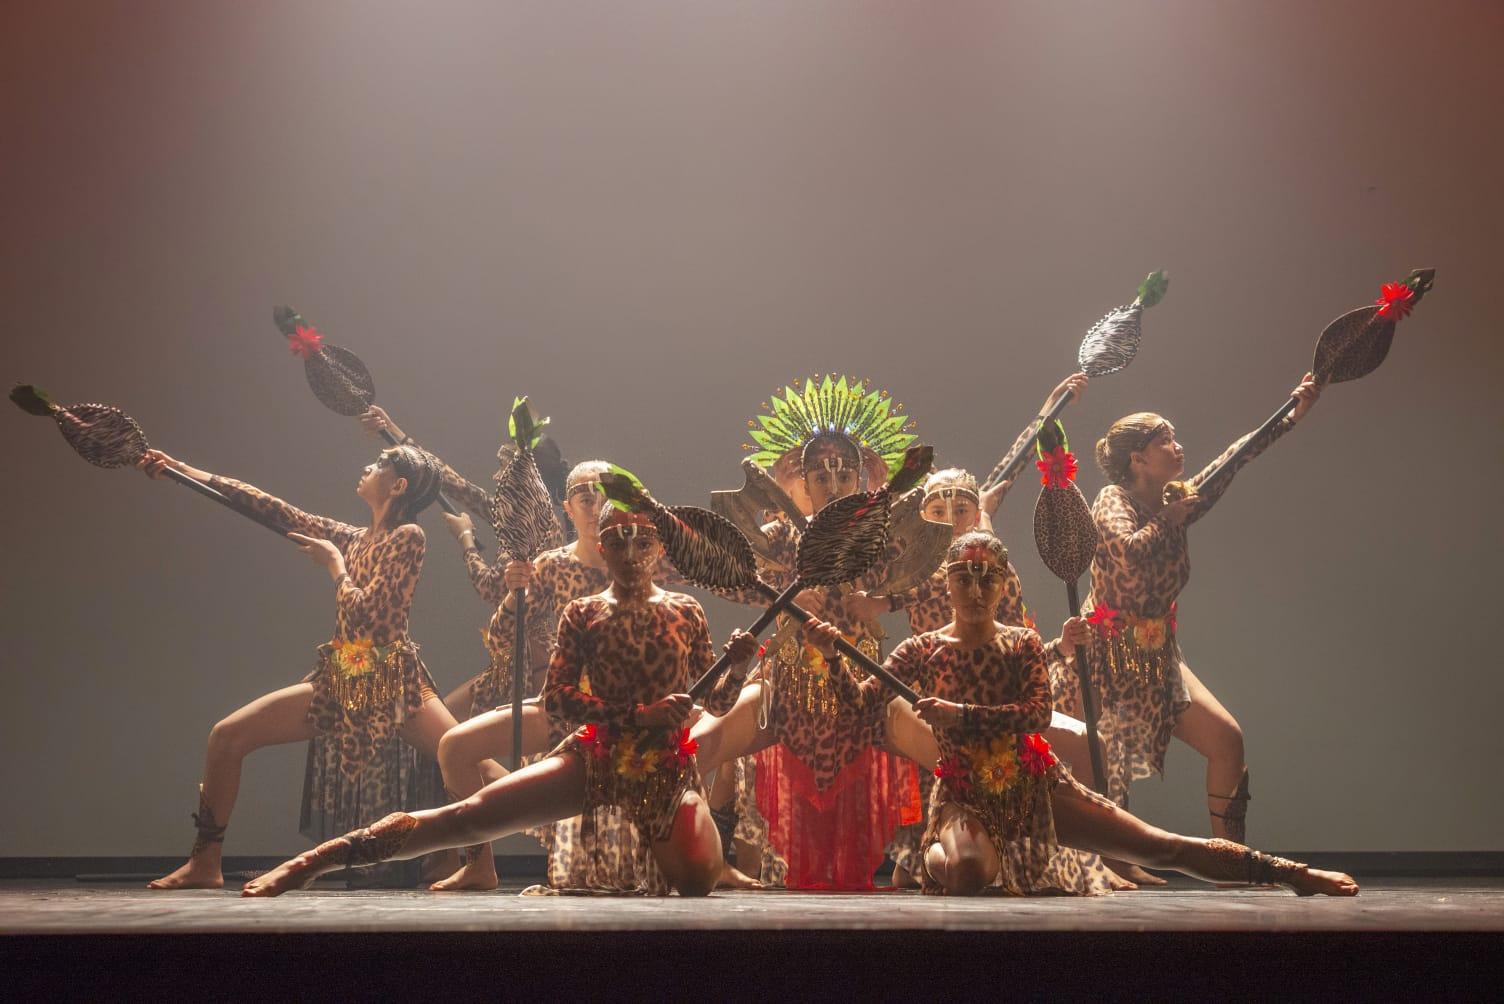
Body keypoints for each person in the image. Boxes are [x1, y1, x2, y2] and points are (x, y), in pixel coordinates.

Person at [243, 506, 759, 898]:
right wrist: (637, 715)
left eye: (642, 540)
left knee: (696, 880)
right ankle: (315, 861)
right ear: (602, 547)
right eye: (618, 540)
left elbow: (716, 702)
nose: (631, 552)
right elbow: (558, 698)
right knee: (466, 817)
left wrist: (735, 669)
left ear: (657, 546)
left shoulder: (686, 611)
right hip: (597, 760)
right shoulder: (583, 612)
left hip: (666, 772)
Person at [818, 531, 1356, 897]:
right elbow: (860, 705)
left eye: (988, 578)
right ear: (946, 582)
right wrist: (834, 659)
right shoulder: (921, 649)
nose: (976, 590)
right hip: (965, 794)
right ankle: (940, 853)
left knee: (1160, 846)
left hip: (1034, 786)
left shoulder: (1023, 643)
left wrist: (962, 715)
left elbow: (1036, 714)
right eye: (964, 577)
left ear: (1004, 583)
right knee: (965, 872)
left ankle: (1292, 873)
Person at [136, 444, 496, 889]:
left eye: (380, 464)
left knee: (470, 760)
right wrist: (181, 468)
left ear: (398, 486)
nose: (367, 466)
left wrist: (335, 568)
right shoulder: (353, 537)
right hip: (343, 679)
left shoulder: (408, 537)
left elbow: (370, 614)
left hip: (393, 685)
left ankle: (487, 860)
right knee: (227, 736)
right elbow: (273, 508)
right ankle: (205, 862)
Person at [1055, 376, 1322, 845]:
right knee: (1100, 763)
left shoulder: (1173, 501)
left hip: (1156, 652)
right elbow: (1127, 551)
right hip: (1104, 654)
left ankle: (1230, 860)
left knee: (1226, 739)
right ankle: (1111, 863)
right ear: (1138, 459)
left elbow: (1231, 461)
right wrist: (1169, 519)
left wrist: (1290, 416)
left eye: (1174, 437)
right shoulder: (1112, 499)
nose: (1177, 447)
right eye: (1165, 440)